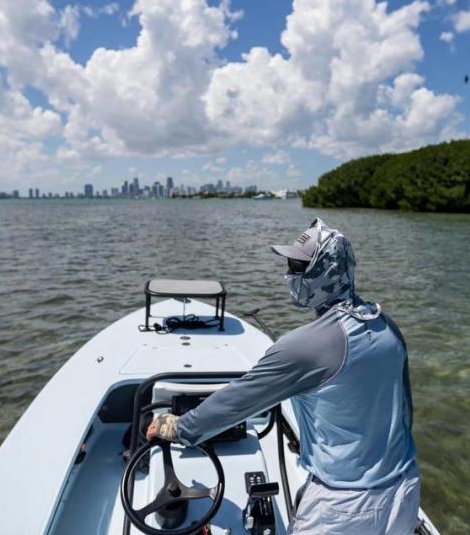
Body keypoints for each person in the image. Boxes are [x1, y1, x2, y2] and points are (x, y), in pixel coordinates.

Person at [147, 218, 422, 534]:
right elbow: (404, 412)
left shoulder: (306, 344)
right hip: (404, 488)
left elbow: (237, 401)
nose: (289, 274)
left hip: (345, 506)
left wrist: (178, 427)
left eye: (298, 266)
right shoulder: (388, 327)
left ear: (324, 272)